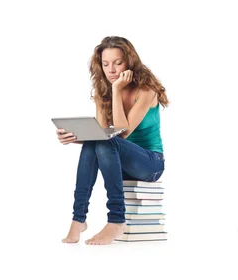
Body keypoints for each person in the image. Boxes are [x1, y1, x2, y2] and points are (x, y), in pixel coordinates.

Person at [57, 36, 169, 245]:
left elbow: (121, 133)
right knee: (94, 143)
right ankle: (78, 219)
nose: (111, 70)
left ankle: (117, 219)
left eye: (118, 63)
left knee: (106, 141)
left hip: (150, 163)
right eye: (106, 64)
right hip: (117, 161)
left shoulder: (146, 90)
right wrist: (74, 138)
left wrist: (117, 90)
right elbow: (101, 136)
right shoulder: (103, 90)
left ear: (130, 62)